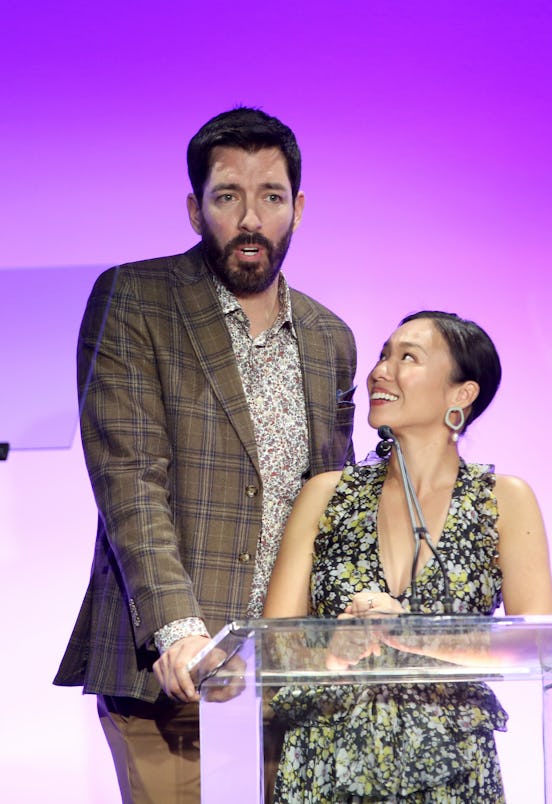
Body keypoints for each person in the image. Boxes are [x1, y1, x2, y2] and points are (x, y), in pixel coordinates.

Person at [53, 107, 357, 803]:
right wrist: (180, 634)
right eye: (228, 197)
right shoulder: (135, 298)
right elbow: (130, 480)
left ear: (299, 208)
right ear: (195, 209)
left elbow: (327, 503)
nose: (251, 219)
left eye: (271, 198)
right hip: (171, 677)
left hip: (288, 682)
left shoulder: (329, 337)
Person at [263, 310, 552, 803]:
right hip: (327, 761)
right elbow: (272, 648)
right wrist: (333, 651)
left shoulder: (503, 499)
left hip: (450, 769)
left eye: (408, 358)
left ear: (461, 395)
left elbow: (539, 646)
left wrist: (413, 634)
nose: (380, 371)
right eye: (383, 355)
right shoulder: (325, 494)